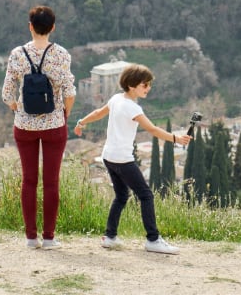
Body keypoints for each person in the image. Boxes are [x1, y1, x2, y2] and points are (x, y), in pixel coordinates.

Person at [74, 64, 191, 255]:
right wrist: (176, 138)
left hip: (108, 157)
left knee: (121, 196)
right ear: (132, 85)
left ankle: (109, 237)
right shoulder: (132, 107)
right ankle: (153, 240)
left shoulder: (115, 99)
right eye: (145, 85)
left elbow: (98, 113)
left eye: (149, 85)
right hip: (122, 159)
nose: (148, 88)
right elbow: (152, 129)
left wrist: (81, 123)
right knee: (146, 195)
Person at [2, 5, 76, 250]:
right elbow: (70, 92)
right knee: (51, 182)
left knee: (29, 180)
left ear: (30, 26)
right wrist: (63, 114)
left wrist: (17, 108)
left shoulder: (17, 54)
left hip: (24, 126)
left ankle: (31, 238)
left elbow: (7, 94)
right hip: (54, 124)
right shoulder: (61, 54)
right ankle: (49, 238)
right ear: (53, 27)